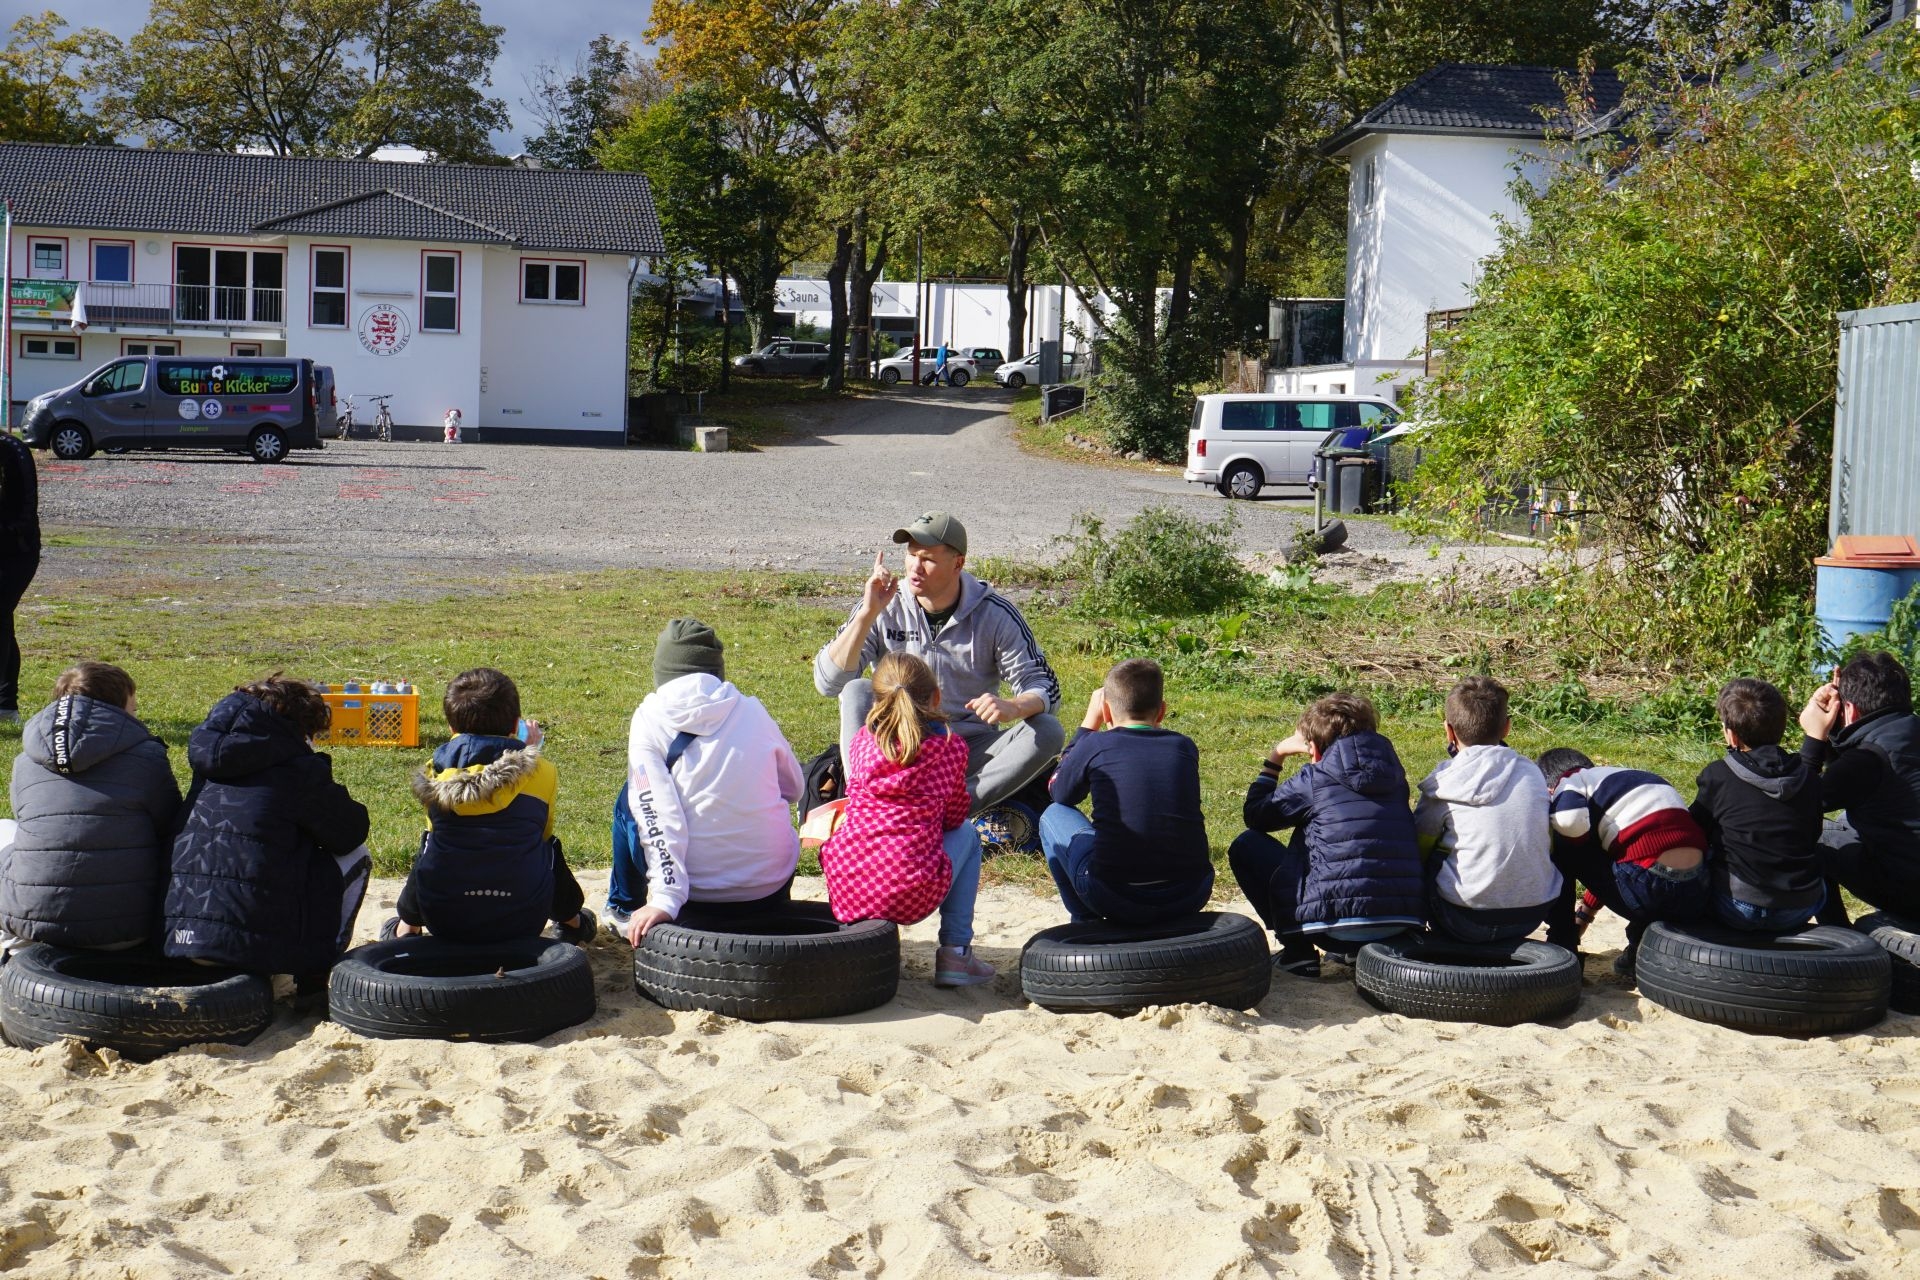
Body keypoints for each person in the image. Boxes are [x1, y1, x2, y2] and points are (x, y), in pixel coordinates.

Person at [814, 511, 1064, 818]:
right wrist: (866, 615)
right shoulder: (885, 603)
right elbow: (828, 684)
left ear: (958, 563)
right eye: (911, 555)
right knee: (856, 689)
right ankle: (867, 803)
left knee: (1048, 730)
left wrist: (1014, 706)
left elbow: (1045, 686)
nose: (914, 567)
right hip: (894, 745)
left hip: (966, 750)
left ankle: (951, 810)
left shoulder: (994, 614)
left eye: (928, 559)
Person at [163, 676, 371, 983]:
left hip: (175, 938)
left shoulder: (207, 766)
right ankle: (316, 974)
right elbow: (351, 831)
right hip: (250, 949)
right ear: (300, 728)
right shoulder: (297, 770)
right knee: (357, 856)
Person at [615, 618, 804, 945]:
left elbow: (655, 813)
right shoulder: (751, 709)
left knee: (629, 798)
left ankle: (623, 905)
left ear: (661, 673)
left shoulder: (649, 718)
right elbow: (795, 789)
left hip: (695, 897)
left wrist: (666, 898)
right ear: (717, 671)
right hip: (770, 887)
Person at [820, 652, 992, 986]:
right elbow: (955, 816)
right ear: (936, 697)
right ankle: (956, 953)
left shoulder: (862, 741)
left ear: (877, 700)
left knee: (865, 843)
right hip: (911, 890)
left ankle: (862, 941)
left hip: (848, 885)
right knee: (968, 834)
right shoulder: (949, 748)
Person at [1228, 693, 1425, 977]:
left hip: (1331, 929)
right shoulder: (1396, 779)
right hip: (1399, 925)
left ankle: (1298, 952)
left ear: (1314, 748)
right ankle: (1355, 952)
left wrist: (1277, 756)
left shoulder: (1314, 778)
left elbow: (1256, 816)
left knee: (1247, 845)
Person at [393, 667, 594, 945]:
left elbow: (438, 833)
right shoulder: (543, 772)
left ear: (451, 728)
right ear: (515, 725)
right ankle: (572, 921)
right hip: (524, 917)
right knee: (546, 847)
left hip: (444, 917)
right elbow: (543, 833)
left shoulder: (433, 775)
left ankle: (407, 927)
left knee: (431, 842)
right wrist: (529, 752)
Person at [0, 662, 179, 953]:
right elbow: (169, 825)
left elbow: (27, 821)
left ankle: (15, 942)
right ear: (117, 709)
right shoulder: (148, 756)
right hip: (127, 931)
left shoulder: (25, 761)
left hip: (32, 926)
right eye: (133, 708)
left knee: (6, 829)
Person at [1040, 658, 1213, 924]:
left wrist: (1087, 727)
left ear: (1105, 712)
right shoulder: (1184, 747)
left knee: (1053, 815)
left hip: (1113, 896)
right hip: (1191, 893)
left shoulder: (1095, 744)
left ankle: (1086, 921)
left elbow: (1060, 793)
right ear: (1162, 711)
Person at [1538, 748, 1708, 980]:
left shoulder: (1570, 781)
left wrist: (1572, 839)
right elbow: (1610, 863)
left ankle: (1562, 945)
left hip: (1649, 887)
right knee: (1623, 854)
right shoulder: (1627, 778)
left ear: (1551, 787)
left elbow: (1568, 822)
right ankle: (1641, 951)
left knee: (1561, 842)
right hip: (1696, 889)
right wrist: (1585, 915)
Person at [1413, 677, 1559, 945]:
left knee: (1428, 846)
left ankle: (1421, 935)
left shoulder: (1444, 781)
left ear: (1448, 731)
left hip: (1461, 920)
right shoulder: (1532, 773)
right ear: (1507, 728)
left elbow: (1418, 847)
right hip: (1531, 915)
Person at [1692, 677, 1824, 931]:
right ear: (1782, 727)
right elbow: (1813, 833)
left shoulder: (1718, 775)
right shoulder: (1808, 778)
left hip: (1738, 907)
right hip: (1801, 908)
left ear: (1731, 735)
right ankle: (1841, 931)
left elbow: (1694, 831)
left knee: (1690, 857)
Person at [1798, 651, 1920, 925]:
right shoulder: (1907, 731)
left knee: (1810, 835)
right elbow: (1847, 781)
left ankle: (1841, 938)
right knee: (1845, 821)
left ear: (1849, 710)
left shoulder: (1866, 760)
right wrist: (1836, 732)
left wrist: (1815, 738)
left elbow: (1796, 804)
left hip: (1911, 892)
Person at [0, 428, 39, 723]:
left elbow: (25, 511)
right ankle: (6, 704)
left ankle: (5, 705)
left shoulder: (11, 450)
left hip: (15, 552)